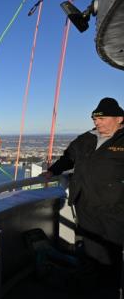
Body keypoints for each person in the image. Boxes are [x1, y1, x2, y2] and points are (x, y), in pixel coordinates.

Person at [44, 97, 124, 264]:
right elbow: (68, 157)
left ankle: (111, 285)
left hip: (115, 207)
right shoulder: (85, 139)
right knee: (89, 246)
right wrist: (52, 171)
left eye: (102, 118)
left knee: (113, 248)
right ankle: (91, 280)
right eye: (95, 118)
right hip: (85, 202)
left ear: (119, 119)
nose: (97, 122)